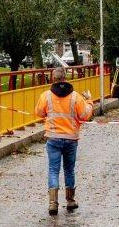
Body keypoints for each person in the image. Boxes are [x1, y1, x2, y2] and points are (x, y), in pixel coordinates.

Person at [34, 66, 94, 215]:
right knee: (69, 169)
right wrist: (90, 101)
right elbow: (85, 115)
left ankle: (53, 204)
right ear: (66, 78)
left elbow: (39, 113)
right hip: (71, 139)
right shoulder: (75, 97)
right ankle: (70, 201)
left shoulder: (46, 96)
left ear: (53, 79)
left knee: (53, 170)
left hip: (53, 138)